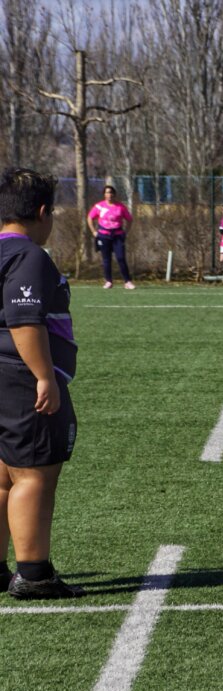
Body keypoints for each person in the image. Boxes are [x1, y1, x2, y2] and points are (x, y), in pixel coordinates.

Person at [0, 168, 83, 598]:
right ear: (43, 212)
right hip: (18, 378)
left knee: (2, 476)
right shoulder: (29, 256)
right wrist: (44, 376)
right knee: (33, 474)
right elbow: (23, 319)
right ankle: (34, 574)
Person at [87, 184, 135, 290]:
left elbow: (129, 219)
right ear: (104, 194)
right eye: (107, 192)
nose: (109, 195)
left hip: (117, 235)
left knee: (121, 258)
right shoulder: (99, 206)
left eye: (111, 192)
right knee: (106, 259)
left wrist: (125, 232)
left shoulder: (120, 207)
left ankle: (127, 281)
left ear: (114, 194)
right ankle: (108, 281)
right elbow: (90, 218)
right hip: (104, 236)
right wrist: (94, 232)